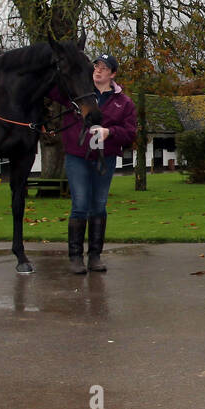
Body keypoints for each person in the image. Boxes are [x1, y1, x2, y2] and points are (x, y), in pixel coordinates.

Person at [53, 53, 137, 274]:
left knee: (98, 205)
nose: (98, 70)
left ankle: (95, 256)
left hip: (104, 159)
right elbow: (51, 89)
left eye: (103, 67)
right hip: (77, 157)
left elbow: (130, 132)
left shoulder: (124, 102)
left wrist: (110, 132)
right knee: (79, 204)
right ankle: (75, 257)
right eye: (96, 66)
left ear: (113, 74)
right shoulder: (75, 92)